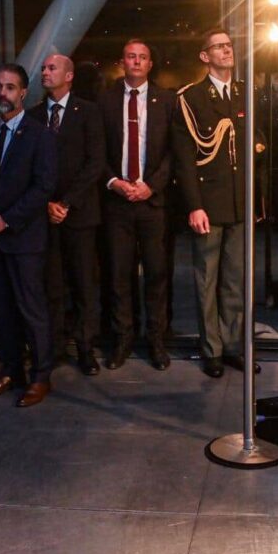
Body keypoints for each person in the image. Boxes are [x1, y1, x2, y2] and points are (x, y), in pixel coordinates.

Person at [172, 28, 264, 378]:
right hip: (208, 204)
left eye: (229, 45)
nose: (227, 51)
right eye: (219, 47)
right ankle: (210, 348)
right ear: (205, 56)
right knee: (206, 279)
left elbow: (254, 144)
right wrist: (194, 205)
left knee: (236, 280)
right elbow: (184, 158)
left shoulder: (244, 93)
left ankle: (232, 347)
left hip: (240, 201)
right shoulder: (191, 97)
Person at [0, 64, 58, 408]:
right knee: (0, 310)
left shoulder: (40, 135)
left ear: (23, 93)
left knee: (31, 309)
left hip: (23, 239)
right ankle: (10, 371)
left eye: (10, 88)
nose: (2, 94)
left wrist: (5, 221)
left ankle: (40, 376)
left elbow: (43, 187)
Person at [98, 39, 177, 370]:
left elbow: (175, 152)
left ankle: (157, 341)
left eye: (143, 57)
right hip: (116, 202)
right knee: (119, 274)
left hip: (153, 201)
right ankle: (123, 340)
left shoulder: (167, 101)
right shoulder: (104, 101)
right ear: (122, 61)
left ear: (150, 64)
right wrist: (114, 182)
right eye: (131, 56)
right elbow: (96, 151)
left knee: (158, 275)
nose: (136, 61)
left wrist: (150, 186)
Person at [30, 54, 105, 375]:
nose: (45, 72)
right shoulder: (33, 116)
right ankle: (56, 348)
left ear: (69, 75)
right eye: (44, 68)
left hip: (80, 213)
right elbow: (29, 166)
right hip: (44, 215)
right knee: (52, 285)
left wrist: (66, 203)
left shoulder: (88, 112)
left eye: (52, 68)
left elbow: (96, 163)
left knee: (85, 284)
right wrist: (48, 204)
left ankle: (86, 348)